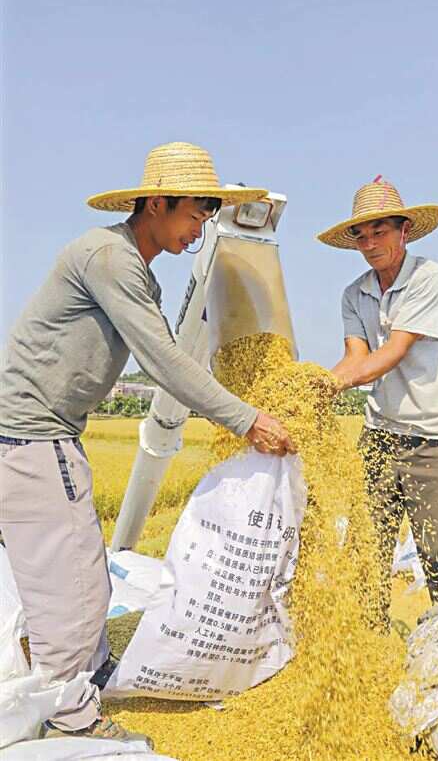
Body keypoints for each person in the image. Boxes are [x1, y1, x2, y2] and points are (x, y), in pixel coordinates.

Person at [0, 141, 295, 746]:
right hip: (34, 433)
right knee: (73, 587)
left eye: (208, 218)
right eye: (194, 214)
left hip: (38, 433)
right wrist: (247, 420)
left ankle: (90, 672)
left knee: (85, 571)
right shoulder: (110, 258)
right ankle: (70, 714)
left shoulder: (132, 270)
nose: (199, 230)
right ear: (157, 204)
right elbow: (163, 360)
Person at [317, 176, 438, 629]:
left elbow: (393, 352)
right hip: (381, 435)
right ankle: (367, 639)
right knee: (365, 547)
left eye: (380, 231)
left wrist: (328, 387)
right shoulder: (355, 294)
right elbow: (356, 356)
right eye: (361, 236)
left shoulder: (430, 278)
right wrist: (316, 383)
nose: (370, 243)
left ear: (404, 231)